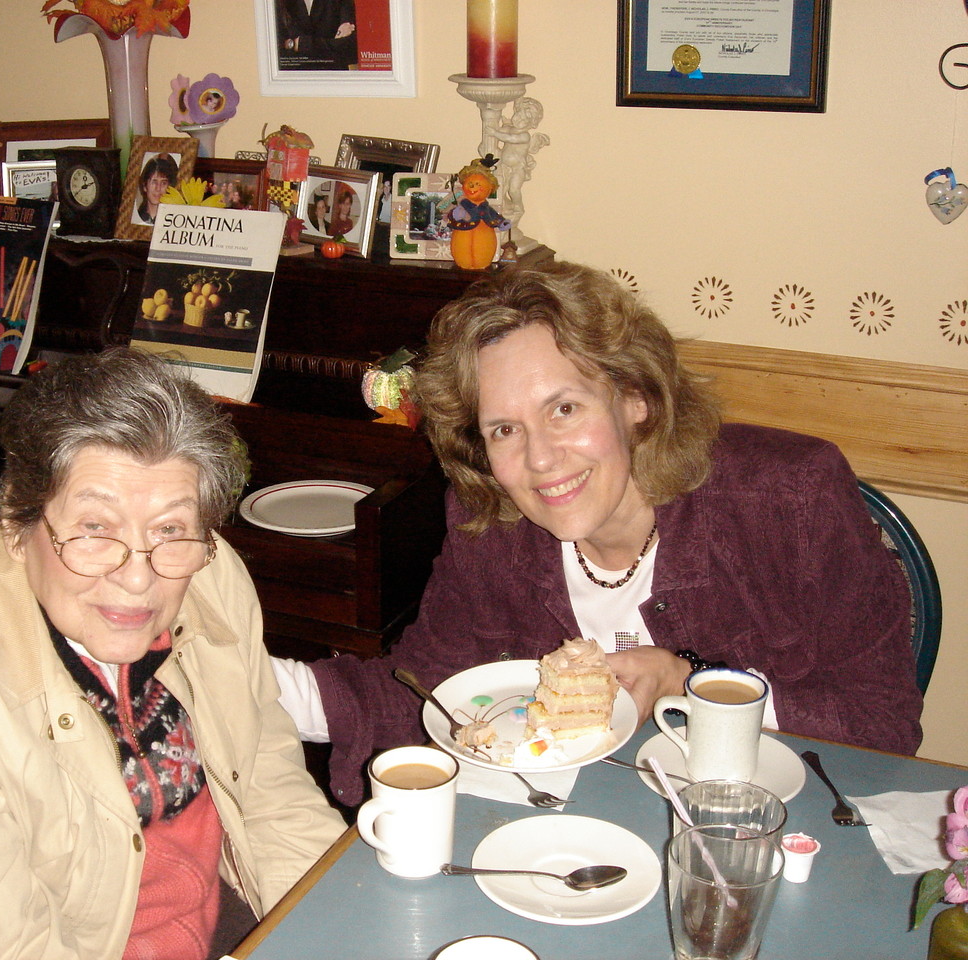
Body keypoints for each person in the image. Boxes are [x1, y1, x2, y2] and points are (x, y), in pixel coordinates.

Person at [273, 262, 923, 807]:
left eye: (564, 408)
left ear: (635, 398)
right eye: (504, 428)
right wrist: (248, 683)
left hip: (763, 834)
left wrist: (689, 685)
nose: (540, 458)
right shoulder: (493, 531)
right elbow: (419, 691)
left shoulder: (790, 501)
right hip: (574, 842)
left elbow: (882, 721)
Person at [0, 348, 346, 959]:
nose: (138, 579)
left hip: (198, 912)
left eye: (169, 528)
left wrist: (340, 920)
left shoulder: (207, 569)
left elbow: (266, 780)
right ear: (16, 523)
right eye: (94, 529)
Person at [275, 0, 357, 71]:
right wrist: (334, 44)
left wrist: (299, 44)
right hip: (291, 83)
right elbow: (275, 53)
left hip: (332, 81)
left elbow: (352, 50)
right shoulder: (274, 4)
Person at [136, 153, 179, 225]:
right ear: (144, 186)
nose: (158, 188)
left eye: (163, 183)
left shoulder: (173, 221)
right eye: (154, 182)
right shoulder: (136, 219)